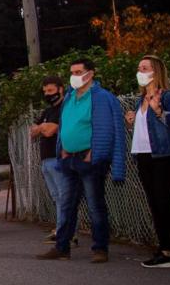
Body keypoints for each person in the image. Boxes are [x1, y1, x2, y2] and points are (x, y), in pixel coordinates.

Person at [38, 58, 126, 263]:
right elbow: (65, 124)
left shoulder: (102, 98)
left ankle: (100, 248)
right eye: (72, 72)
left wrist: (93, 152)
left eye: (79, 72)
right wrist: (64, 150)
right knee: (67, 205)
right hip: (69, 159)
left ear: (91, 73)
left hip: (90, 159)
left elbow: (109, 128)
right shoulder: (70, 98)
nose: (75, 76)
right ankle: (62, 247)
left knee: (95, 205)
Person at [126, 55, 170, 273]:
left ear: (155, 71)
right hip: (144, 155)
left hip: (164, 155)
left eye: (144, 67)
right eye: (138, 68)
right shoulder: (140, 99)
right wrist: (131, 123)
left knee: (164, 202)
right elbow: (145, 130)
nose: (140, 71)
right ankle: (165, 251)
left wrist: (158, 110)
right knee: (155, 204)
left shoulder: (167, 96)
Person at [31, 76, 75, 245]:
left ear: (60, 89)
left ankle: (67, 233)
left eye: (50, 90)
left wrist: (42, 127)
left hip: (59, 158)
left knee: (65, 197)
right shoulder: (48, 111)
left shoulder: (65, 109)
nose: (48, 94)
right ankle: (60, 229)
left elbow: (50, 131)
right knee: (57, 197)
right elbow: (33, 131)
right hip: (45, 159)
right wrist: (43, 127)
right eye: (45, 92)